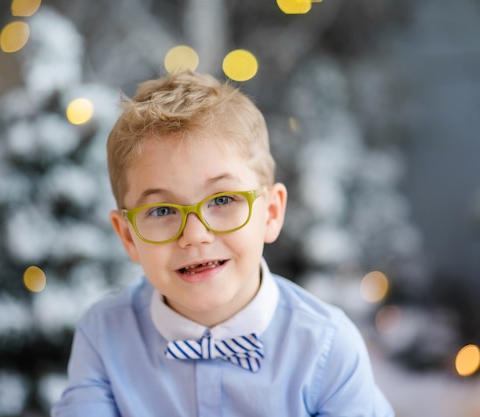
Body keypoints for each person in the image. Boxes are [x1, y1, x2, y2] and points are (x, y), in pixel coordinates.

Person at [51, 71, 394, 417]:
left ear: (271, 213)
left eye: (222, 200)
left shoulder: (329, 347)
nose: (195, 235)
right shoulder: (102, 335)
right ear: (128, 236)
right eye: (162, 210)